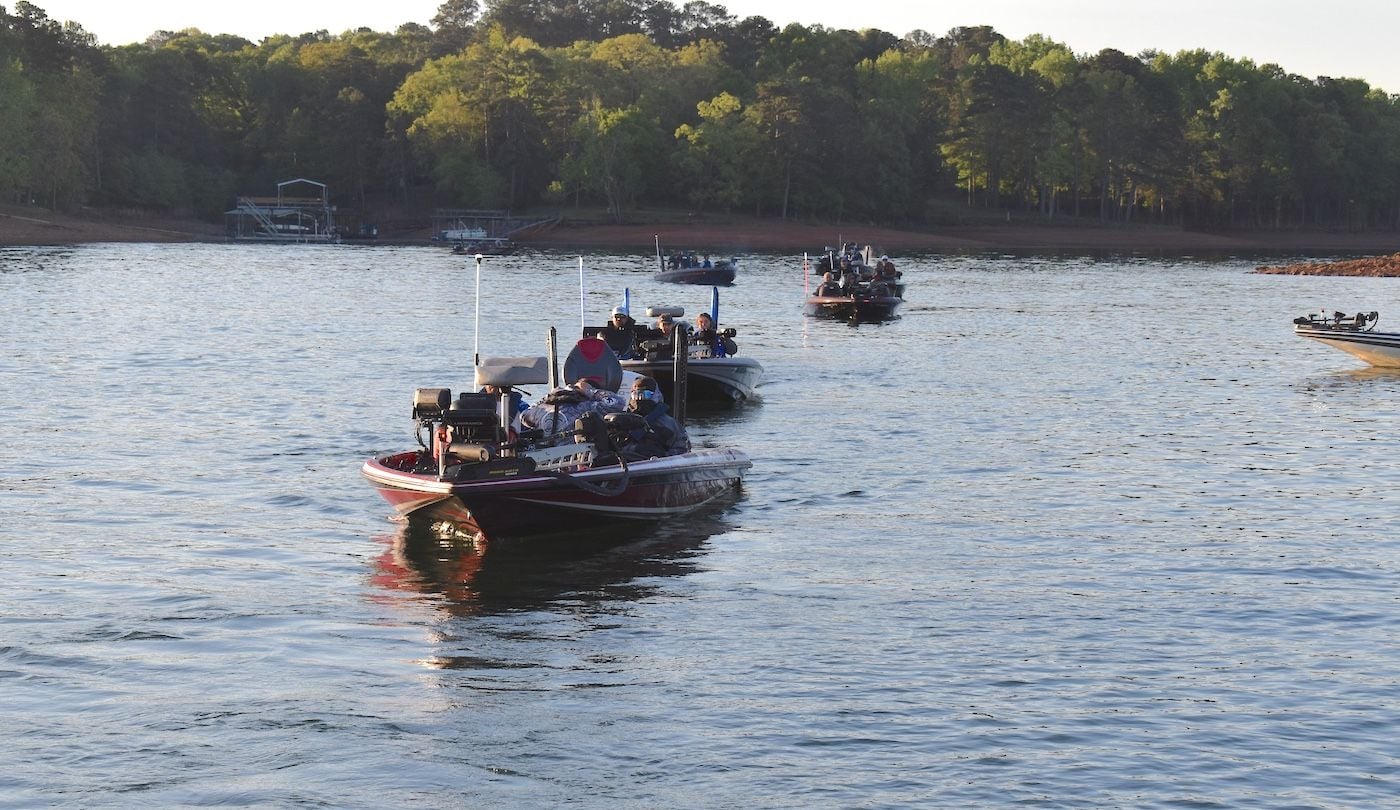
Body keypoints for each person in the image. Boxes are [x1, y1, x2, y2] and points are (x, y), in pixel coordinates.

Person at [516, 379, 625, 444]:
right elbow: (618, 403)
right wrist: (590, 390)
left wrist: (548, 397)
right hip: (574, 460)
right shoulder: (587, 407)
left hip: (543, 457)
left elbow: (524, 416)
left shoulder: (540, 409)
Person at [615, 376, 690, 459]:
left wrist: (663, 458)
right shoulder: (620, 420)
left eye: (645, 394)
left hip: (654, 465)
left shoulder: (669, 424)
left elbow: (682, 449)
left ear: (656, 396)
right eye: (636, 394)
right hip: (621, 463)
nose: (639, 398)